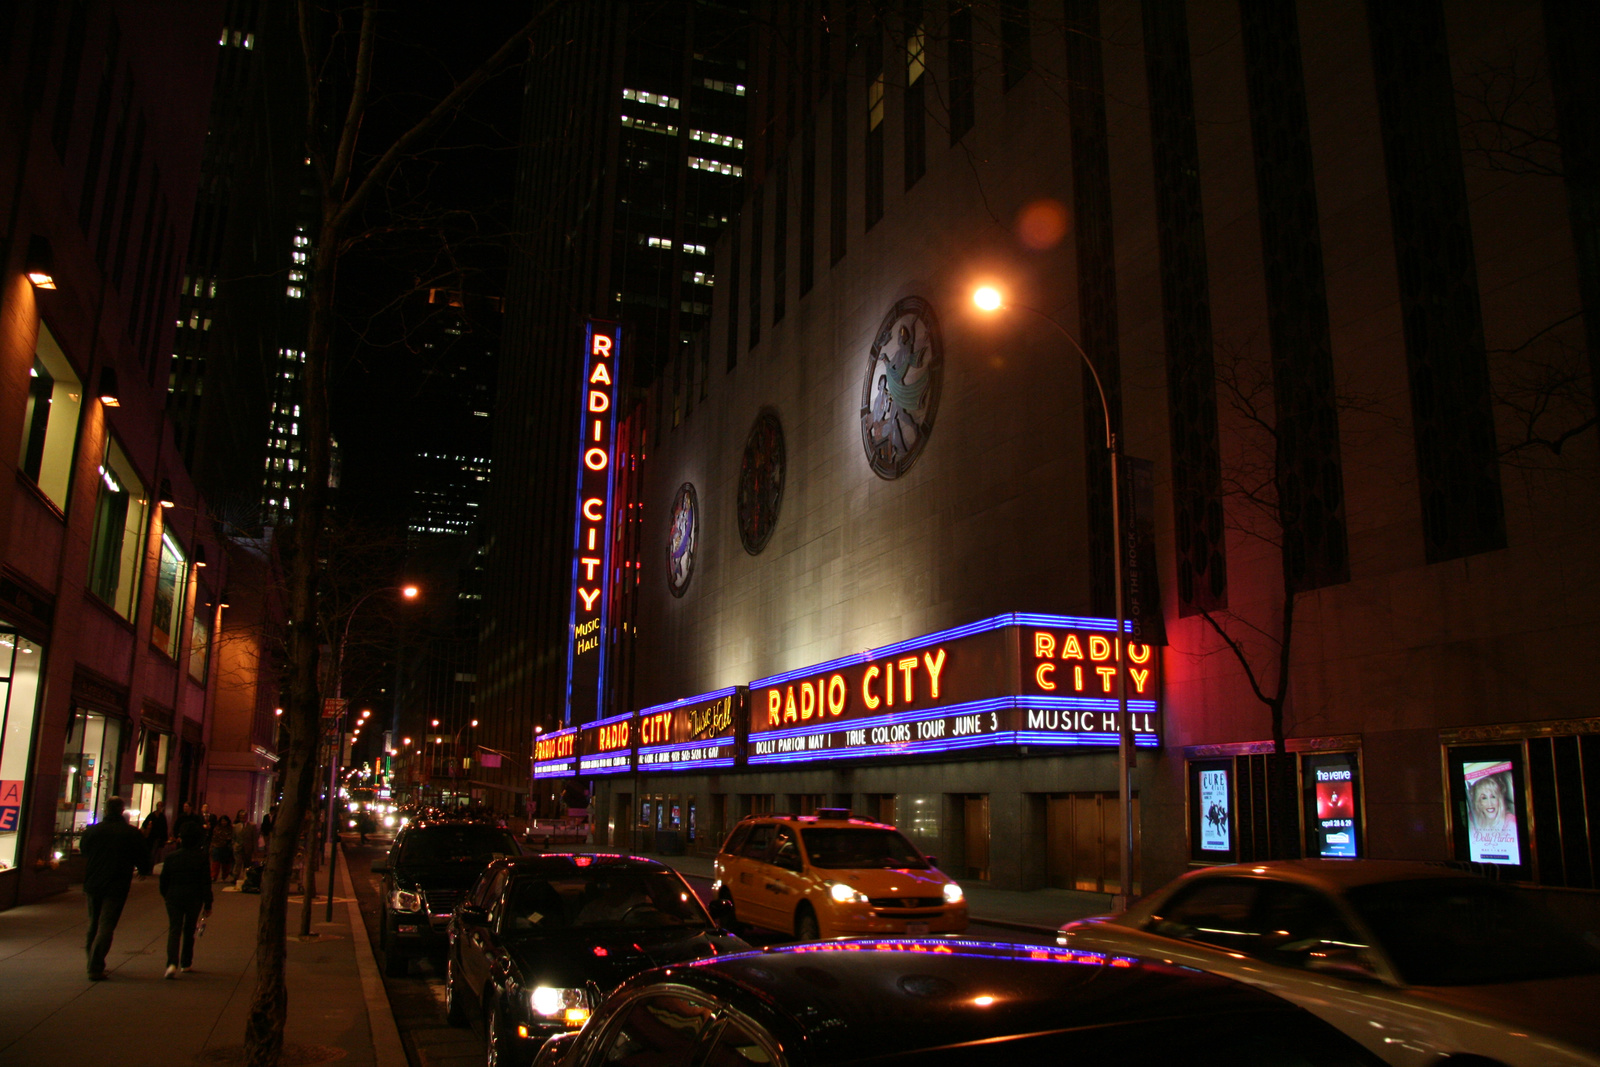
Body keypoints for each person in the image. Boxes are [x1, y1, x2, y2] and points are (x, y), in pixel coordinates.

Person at [80, 797, 152, 980]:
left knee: (93, 923)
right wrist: (143, 869)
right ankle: (95, 966)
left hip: (94, 882)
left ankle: (92, 962)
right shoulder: (130, 833)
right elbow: (142, 855)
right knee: (106, 924)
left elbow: (84, 851)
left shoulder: (93, 831)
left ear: (106, 810)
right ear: (121, 810)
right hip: (117, 882)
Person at [159, 824, 213, 977]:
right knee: (189, 930)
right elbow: (205, 882)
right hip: (193, 897)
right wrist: (208, 903)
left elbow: (164, 880)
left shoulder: (172, 857)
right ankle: (186, 962)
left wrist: (166, 895)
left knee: (174, 929)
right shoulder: (201, 858)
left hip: (174, 896)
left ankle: (171, 963)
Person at [231, 809, 257, 886]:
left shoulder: (252, 826)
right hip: (238, 847)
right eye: (241, 817)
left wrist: (255, 849)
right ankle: (235, 877)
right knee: (238, 863)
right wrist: (234, 845)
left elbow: (254, 838)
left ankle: (247, 877)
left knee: (247, 864)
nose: (243, 818)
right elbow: (233, 837)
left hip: (248, 847)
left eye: (244, 817)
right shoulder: (236, 826)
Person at [141, 800, 169, 865]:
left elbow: (164, 828)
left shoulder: (161, 817)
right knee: (151, 852)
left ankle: (149, 867)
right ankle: (148, 867)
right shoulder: (154, 815)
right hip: (151, 837)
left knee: (152, 853)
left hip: (156, 837)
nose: (159, 807)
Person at [209, 814, 234, 882]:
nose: (223, 822)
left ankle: (224, 876)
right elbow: (214, 838)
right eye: (222, 821)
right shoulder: (217, 828)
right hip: (217, 847)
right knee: (216, 863)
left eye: (225, 821)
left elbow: (231, 837)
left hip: (226, 848)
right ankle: (213, 876)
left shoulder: (230, 829)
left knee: (225, 863)